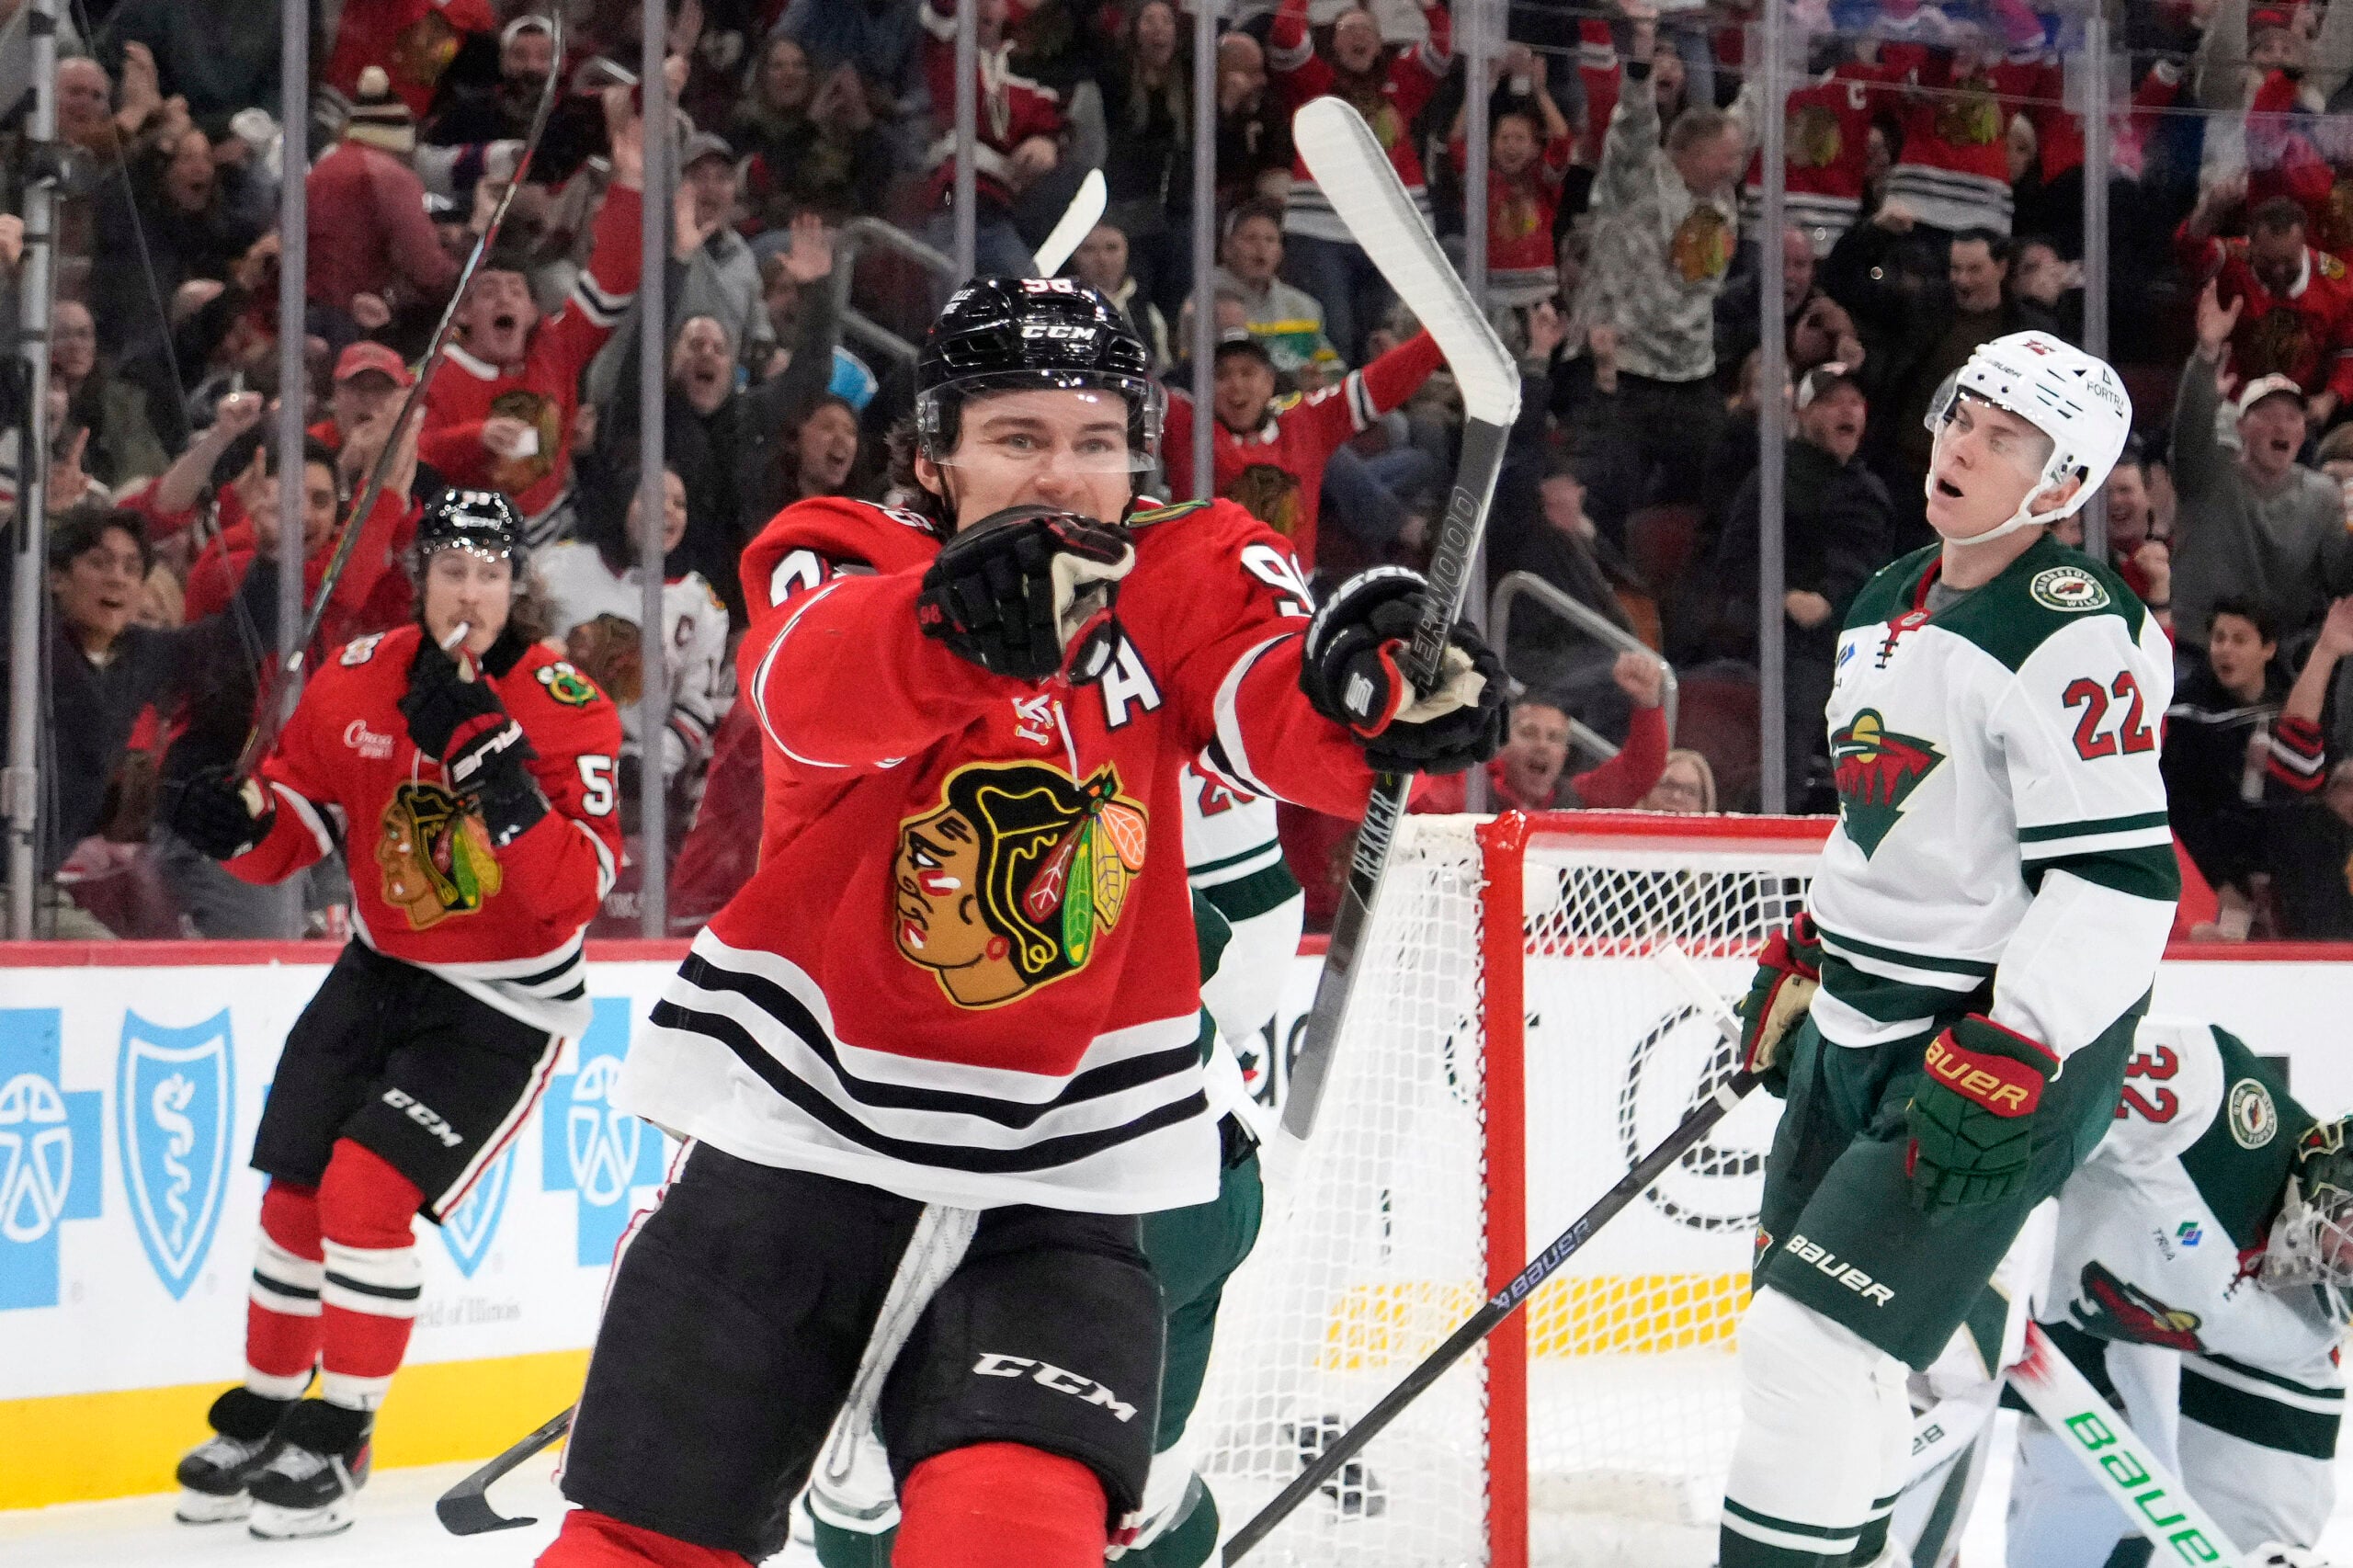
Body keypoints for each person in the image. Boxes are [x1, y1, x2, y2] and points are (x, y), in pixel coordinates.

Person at [531, 277, 1506, 1568]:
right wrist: (950, 626)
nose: (1066, 472)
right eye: (1021, 438)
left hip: (1067, 1162)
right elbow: (814, 694)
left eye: (1098, 440)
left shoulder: (1182, 564)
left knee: (1015, 1537)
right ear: (934, 456)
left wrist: (1378, 695)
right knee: (638, 1548)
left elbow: (1275, 695)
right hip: (803, 1132)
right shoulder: (842, 550)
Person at [1717, 331, 2173, 1568]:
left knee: (1807, 1348)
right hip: (1863, 1017)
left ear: (2062, 481)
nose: (1962, 445)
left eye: (2004, 436)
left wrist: (2018, 1038)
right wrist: (1815, 942)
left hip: (1988, 1046)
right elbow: (1892, 819)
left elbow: (2123, 885)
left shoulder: (2070, 629)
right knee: (1834, 1360)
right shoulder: (1889, 598)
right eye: (1962, 416)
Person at [163, 490, 621, 1539]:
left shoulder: (563, 704)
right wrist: (234, 821)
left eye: (491, 572)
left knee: (365, 1195)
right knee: (293, 1198)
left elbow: (569, 893)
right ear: (421, 578)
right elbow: (298, 828)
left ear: (519, 585)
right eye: (453, 568)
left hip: (504, 997)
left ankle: (341, 1435)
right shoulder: (356, 677)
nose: (472, 591)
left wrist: (497, 772)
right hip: (380, 966)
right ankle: (267, 1413)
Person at [1936, 1016, 2347, 1565]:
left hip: (2107, 1337)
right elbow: (2022, 1083)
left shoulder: (2306, 1328)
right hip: (1964, 1252)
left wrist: (2268, 1554)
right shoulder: (2210, 1098)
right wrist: (1987, 1250)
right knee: (1894, 1496)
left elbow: (2271, 1494)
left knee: (2085, 1517)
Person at [0, 505, 279, 937]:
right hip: (10, 886)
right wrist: (23, 518)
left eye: (132, 568)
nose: (117, 577)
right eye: (99, 562)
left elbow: (232, 644)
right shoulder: (23, 639)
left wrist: (272, 559)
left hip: (37, 888)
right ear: (55, 577)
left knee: (111, 977)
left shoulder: (142, 653)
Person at [417, 88, 645, 540]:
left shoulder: (555, 348)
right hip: (473, 543)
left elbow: (612, 281)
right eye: (489, 292)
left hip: (557, 533)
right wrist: (474, 438)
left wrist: (631, 184)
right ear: (462, 314)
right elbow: (412, 453)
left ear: (535, 310)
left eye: (516, 292)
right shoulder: (435, 374)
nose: (504, 300)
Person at [1568, 0, 1750, 537]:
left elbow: (1754, 111)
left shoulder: (1720, 197)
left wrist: (1777, 24)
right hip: (1620, 364)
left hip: (1689, 373)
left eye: (1737, 159)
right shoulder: (1638, 178)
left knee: (1727, 475)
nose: (1734, 169)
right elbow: (1634, 121)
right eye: (1725, 158)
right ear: (1686, 154)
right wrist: (1642, 45)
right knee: (1608, 489)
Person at [1688, 363, 1893, 810]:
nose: (1849, 410)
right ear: (1803, 413)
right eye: (1834, 402)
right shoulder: (1774, 477)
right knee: (1794, 701)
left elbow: (1873, 567)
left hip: (1856, 636)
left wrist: (1833, 597)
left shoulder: (1871, 489)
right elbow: (1734, 559)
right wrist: (1783, 596)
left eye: (1856, 402)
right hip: (1785, 639)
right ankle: (1778, 817)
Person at [1160, 325, 1444, 570]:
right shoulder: (1184, 425)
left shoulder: (1305, 422)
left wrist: (1442, 338)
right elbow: (1130, 387)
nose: (1236, 386)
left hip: (1292, 608)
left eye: (1247, 373)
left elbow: (1382, 382)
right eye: (1222, 376)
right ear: (1204, 386)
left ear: (1270, 382)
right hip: (1209, 600)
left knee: (1419, 462)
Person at [1267, 0, 1449, 364]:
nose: (1358, 36)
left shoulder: (1401, 82)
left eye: (1367, 29)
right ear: (1332, 43)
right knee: (1335, 340)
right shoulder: (1314, 82)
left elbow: (1444, 47)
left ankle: (1374, 420)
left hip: (1394, 233)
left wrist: (1427, 4)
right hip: (1320, 230)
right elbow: (1286, 36)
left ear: (1381, 43)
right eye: (1348, 30)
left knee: (1380, 346)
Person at [2170, 281, 2353, 647]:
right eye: (2267, 414)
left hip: (2279, 657)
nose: (2281, 425)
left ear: (2304, 432)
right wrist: (2206, 355)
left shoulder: (2322, 496)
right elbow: (2190, 429)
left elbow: (2342, 579)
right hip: (2198, 650)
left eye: (2292, 416)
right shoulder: (2209, 472)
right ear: (2241, 428)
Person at [538, 464, 731, 798]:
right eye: (654, 498)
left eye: (679, 504)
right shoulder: (555, 568)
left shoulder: (700, 601)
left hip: (640, 791)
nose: (668, 511)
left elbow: (697, 705)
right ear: (621, 499)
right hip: (551, 760)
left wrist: (645, 769)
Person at [2176, 189, 2353, 433]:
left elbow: (2349, 351)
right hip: (2231, 407)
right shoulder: (2229, 262)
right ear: (2251, 245)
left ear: (2303, 245)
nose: (2279, 271)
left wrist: (2330, 399)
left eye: (2288, 261)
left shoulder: (2337, 282)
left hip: (2300, 413)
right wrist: (2209, 209)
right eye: (2269, 262)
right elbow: (2188, 248)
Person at [2163, 596, 2284, 921]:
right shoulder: (2187, 712)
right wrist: (2220, 884)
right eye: (2219, 638)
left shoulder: (2290, 701)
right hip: (2216, 876)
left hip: (2284, 869)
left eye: (2240, 640)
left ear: (2268, 648)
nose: (2225, 649)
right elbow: (2183, 810)